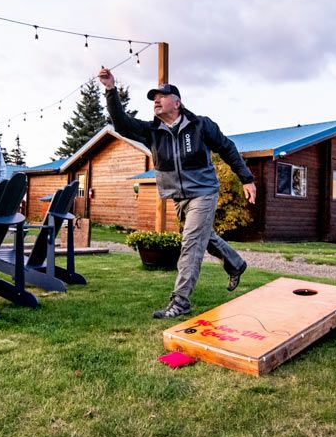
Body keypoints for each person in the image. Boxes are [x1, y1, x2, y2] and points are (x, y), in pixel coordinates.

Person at [98, 67, 257, 319]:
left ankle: (180, 301)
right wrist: (110, 90)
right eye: (153, 99)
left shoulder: (200, 125)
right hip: (178, 197)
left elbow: (227, 149)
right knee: (205, 237)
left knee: (191, 244)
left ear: (177, 102)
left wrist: (246, 179)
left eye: (160, 96)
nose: (156, 101)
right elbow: (121, 123)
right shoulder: (152, 131)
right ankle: (236, 263)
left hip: (204, 192)